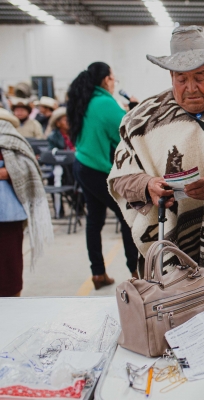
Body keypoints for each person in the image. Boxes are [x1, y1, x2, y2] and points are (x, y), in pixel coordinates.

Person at [108, 26, 204, 272]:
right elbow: (119, 179)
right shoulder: (140, 121)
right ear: (171, 78)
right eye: (181, 79)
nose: (191, 87)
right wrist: (147, 185)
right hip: (167, 244)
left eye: (199, 77)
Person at [67, 61, 139, 289]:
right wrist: (134, 110)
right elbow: (127, 133)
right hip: (97, 169)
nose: (113, 83)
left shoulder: (86, 100)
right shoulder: (104, 102)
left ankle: (98, 273)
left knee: (94, 220)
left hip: (82, 166)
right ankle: (136, 272)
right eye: (113, 79)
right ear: (107, 80)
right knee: (129, 217)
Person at [0, 108, 53, 297]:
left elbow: (27, 167)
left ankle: (12, 300)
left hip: (8, 213)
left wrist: (8, 172)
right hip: (8, 212)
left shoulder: (12, 140)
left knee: (9, 263)